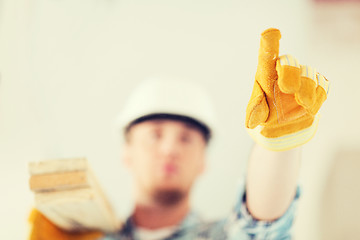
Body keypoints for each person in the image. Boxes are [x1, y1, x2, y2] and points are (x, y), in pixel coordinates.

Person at [28, 28, 329, 240]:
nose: (170, 148)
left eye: (186, 138)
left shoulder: (223, 236)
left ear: (203, 161)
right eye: (155, 135)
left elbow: (262, 229)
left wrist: (278, 143)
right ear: (127, 153)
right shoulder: (84, 238)